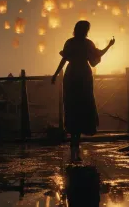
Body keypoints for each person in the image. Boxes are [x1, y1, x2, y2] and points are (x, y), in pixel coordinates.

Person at [51, 20, 115, 162]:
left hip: (73, 74)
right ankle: (76, 142)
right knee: (80, 105)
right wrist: (109, 46)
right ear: (85, 30)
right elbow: (96, 57)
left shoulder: (72, 42)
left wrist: (55, 75)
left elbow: (64, 60)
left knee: (74, 105)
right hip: (81, 76)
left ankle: (75, 142)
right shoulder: (86, 43)